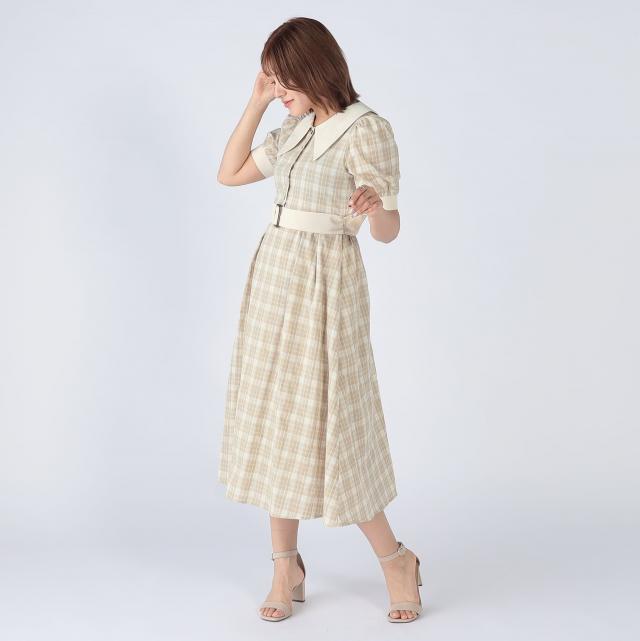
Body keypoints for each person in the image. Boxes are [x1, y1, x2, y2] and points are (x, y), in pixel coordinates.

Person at [216, 17, 423, 623]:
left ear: (314, 69)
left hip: (328, 281)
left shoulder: (367, 129)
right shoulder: (292, 128)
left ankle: (396, 560)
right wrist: (257, 102)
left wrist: (377, 206)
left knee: (336, 422)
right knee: (277, 417)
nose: (278, 90)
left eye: (283, 80)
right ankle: (285, 564)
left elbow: (388, 232)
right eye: (272, 81)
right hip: (275, 277)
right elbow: (229, 173)